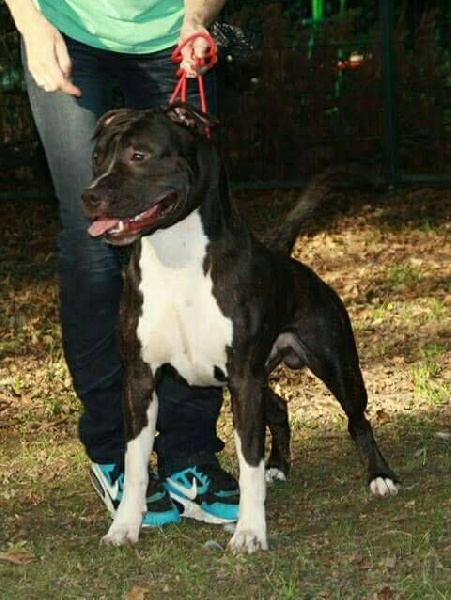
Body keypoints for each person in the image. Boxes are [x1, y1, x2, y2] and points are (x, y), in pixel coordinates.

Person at [5, 0, 239, 527]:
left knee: (191, 235)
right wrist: (30, 22)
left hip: (170, 34)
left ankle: (189, 454)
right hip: (66, 29)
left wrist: (196, 19)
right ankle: (114, 449)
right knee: (93, 242)